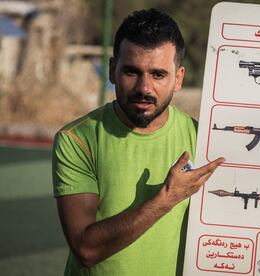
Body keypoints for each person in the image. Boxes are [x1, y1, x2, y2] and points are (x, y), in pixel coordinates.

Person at [52, 8, 224, 276]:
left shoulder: (202, 140)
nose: (144, 88)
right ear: (112, 70)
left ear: (178, 78)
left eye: (158, 75)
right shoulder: (77, 139)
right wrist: (167, 198)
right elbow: (86, 250)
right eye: (132, 72)